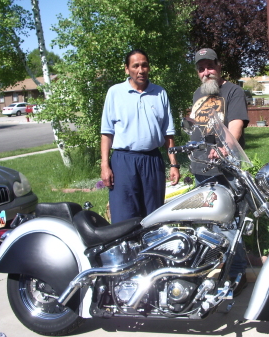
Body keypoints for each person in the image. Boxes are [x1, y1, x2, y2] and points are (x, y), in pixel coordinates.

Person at [190, 48, 249, 296]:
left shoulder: (233, 92)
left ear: (219, 65)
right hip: (200, 170)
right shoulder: (197, 94)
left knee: (230, 223)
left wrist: (224, 150)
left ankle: (237, 274)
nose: (206, 72)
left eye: (210, 66)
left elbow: (235, 126)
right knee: (207, 225)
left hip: (226, 170)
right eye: (201, 68)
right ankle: (213, 269)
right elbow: (195, 127)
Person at [100, 49, 180, 223]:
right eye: (135, 66)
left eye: (144, 65)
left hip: (152, 161)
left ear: (149, 68)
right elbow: (107, 132)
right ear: (127, 69)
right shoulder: (115, 93)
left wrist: (174, 165)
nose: (140, 70)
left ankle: (152, 250)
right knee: (124, 216)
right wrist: (105, 165)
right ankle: (126, 250)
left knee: (154, 216)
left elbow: (168, 134)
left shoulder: (160, 93)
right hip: (124, 162)